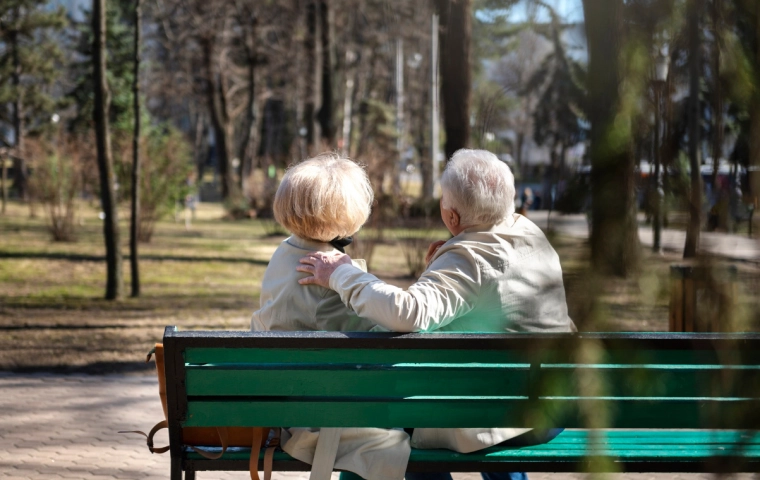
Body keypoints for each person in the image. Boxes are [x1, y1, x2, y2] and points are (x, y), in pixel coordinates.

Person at [297, 149, 576, 480]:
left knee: (388, 426)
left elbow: (408, 313)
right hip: (553, 405)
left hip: (509, 416)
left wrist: (341, 274)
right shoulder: (529, 234)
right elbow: (488, 303)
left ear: (453, 216)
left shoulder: (469, 260)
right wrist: (439, 268)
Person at [251, 153, 410, 480]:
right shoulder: (325, 274)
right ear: (348, 211)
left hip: (285, 400)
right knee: (413, 430)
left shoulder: (284, 253)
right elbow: (381, 338)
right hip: (316, 416)